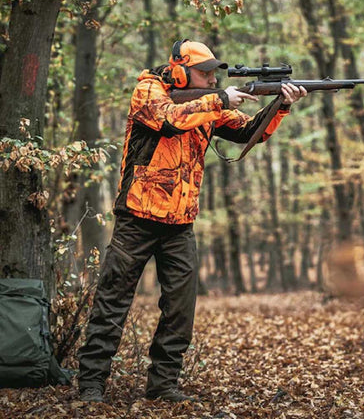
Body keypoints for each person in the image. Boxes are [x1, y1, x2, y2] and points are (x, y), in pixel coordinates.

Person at [77, 39, 307, 403]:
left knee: (180, 311)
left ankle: (163, 385)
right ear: (180, 70)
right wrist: (219, 100)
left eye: (212, 74)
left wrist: (281, 105)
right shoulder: (148, 90)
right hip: (137, 218)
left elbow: (251, 133)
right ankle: (91, 384)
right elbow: (168, 120)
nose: (209, 80)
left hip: (180, 224)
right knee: (112, 303)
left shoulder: (209, 103)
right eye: (203, 73)